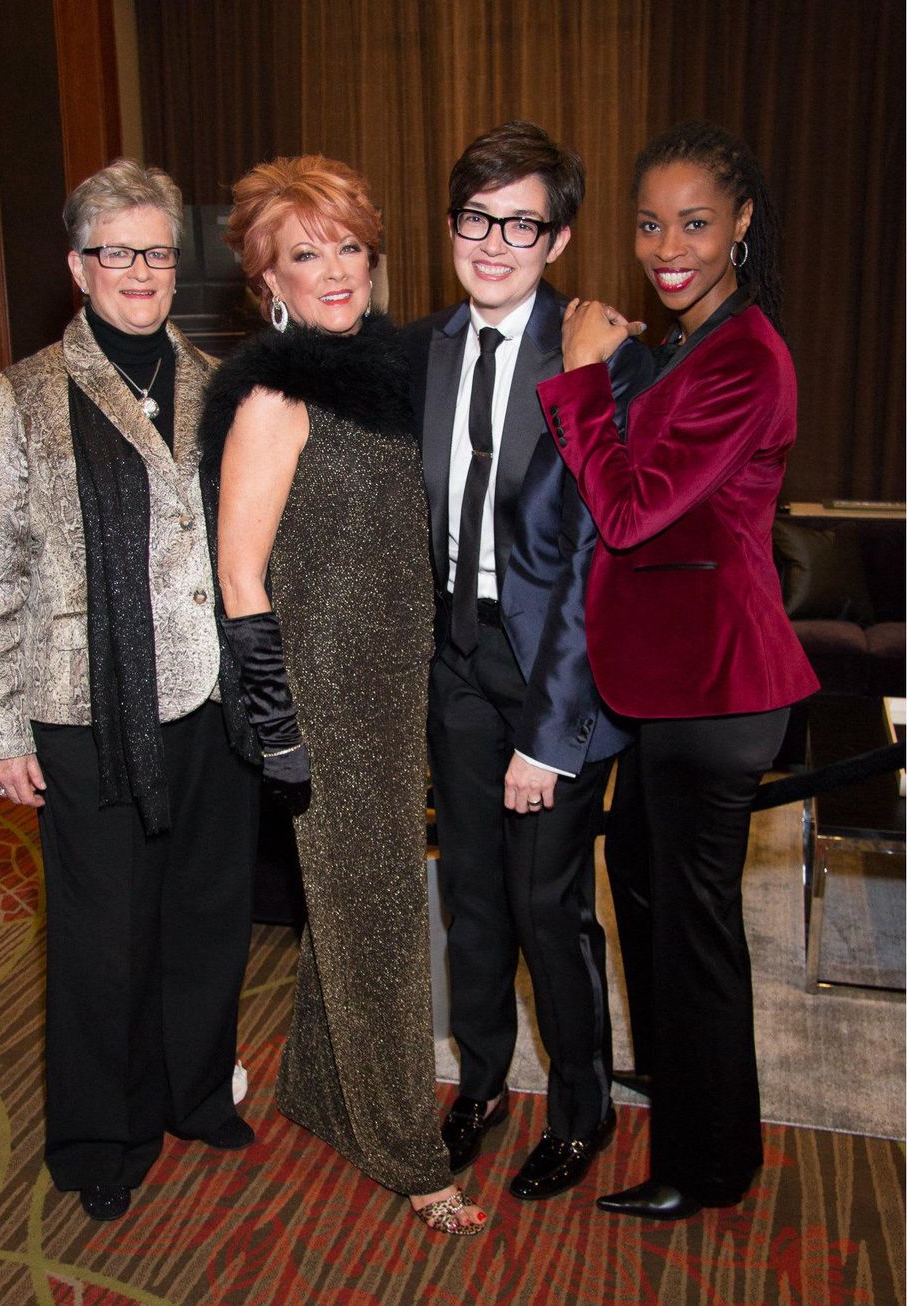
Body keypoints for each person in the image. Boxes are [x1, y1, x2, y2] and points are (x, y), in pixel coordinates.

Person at [0, 160, 261, 1224]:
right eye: (118, 251)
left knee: (206, 913)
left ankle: (192, 1092)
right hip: (86, 713)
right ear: (81, 266)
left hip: (211, 704)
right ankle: (101, 1133)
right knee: (101, 938)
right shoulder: (26, 394)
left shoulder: (216, 380)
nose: (141, 271)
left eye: (159, 251)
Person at [535, 121, 819, 1219]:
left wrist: (578, 382)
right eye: (649, 224)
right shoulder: (698, 341)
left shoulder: (743, 355)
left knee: (693, 933)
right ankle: (681, 1086)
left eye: (694, 223)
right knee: (649, 891)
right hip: (668, 682)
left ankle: (706, 1164)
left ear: (740, 224)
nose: (667, 246)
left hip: (717, 687)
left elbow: (629, 508)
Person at [200, 155, 487, 1236]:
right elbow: (238, 576)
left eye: (348, 247)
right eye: (303, 253)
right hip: (323, 699)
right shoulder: (274, 394)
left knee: (352, 909)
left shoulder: (392, 371)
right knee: (379, 924)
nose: (333, 271)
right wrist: (278, 729)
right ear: (266, 277)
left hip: (395, 682)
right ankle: (410, 1153)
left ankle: (322, 1091)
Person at [402, 121, 651, 1201]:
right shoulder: (425, 349)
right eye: (475, 217)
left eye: (521, 222)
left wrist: (552, 736)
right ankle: (482, 1085)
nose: (493, 242)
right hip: (454, 659)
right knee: (469, 895)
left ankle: (584, 1109)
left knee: (547, 903)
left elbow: (608, 558)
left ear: (557, 239)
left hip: (555, 668)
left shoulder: (601, 356)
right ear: (450, 224)